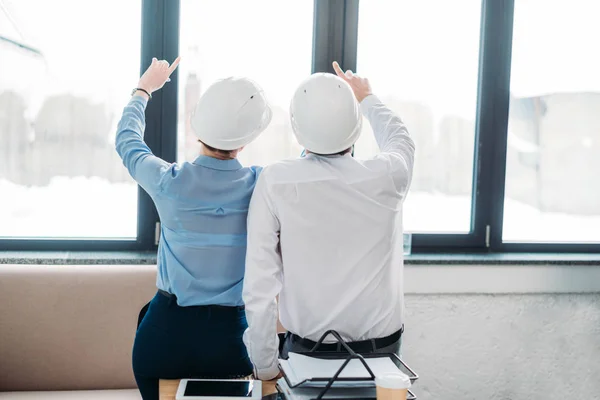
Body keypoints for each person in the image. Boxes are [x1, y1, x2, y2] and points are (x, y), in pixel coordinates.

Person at [242, 61, 416, 380]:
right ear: (356, 126)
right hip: (382, 357)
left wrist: (265, 366)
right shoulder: (388, 175)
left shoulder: (277, 181)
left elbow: (260, 285)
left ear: (298, 128)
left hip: (306, 355)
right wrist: (367, 97)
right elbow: (401, 139)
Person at [115, 57, 272, 399]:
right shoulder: (263, 186)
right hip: (229, 344)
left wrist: (143, 90)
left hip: (164, 340)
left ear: (197, 128)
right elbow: (310, 166)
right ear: (244, 142)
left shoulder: (167, 182)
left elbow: (127, 142)